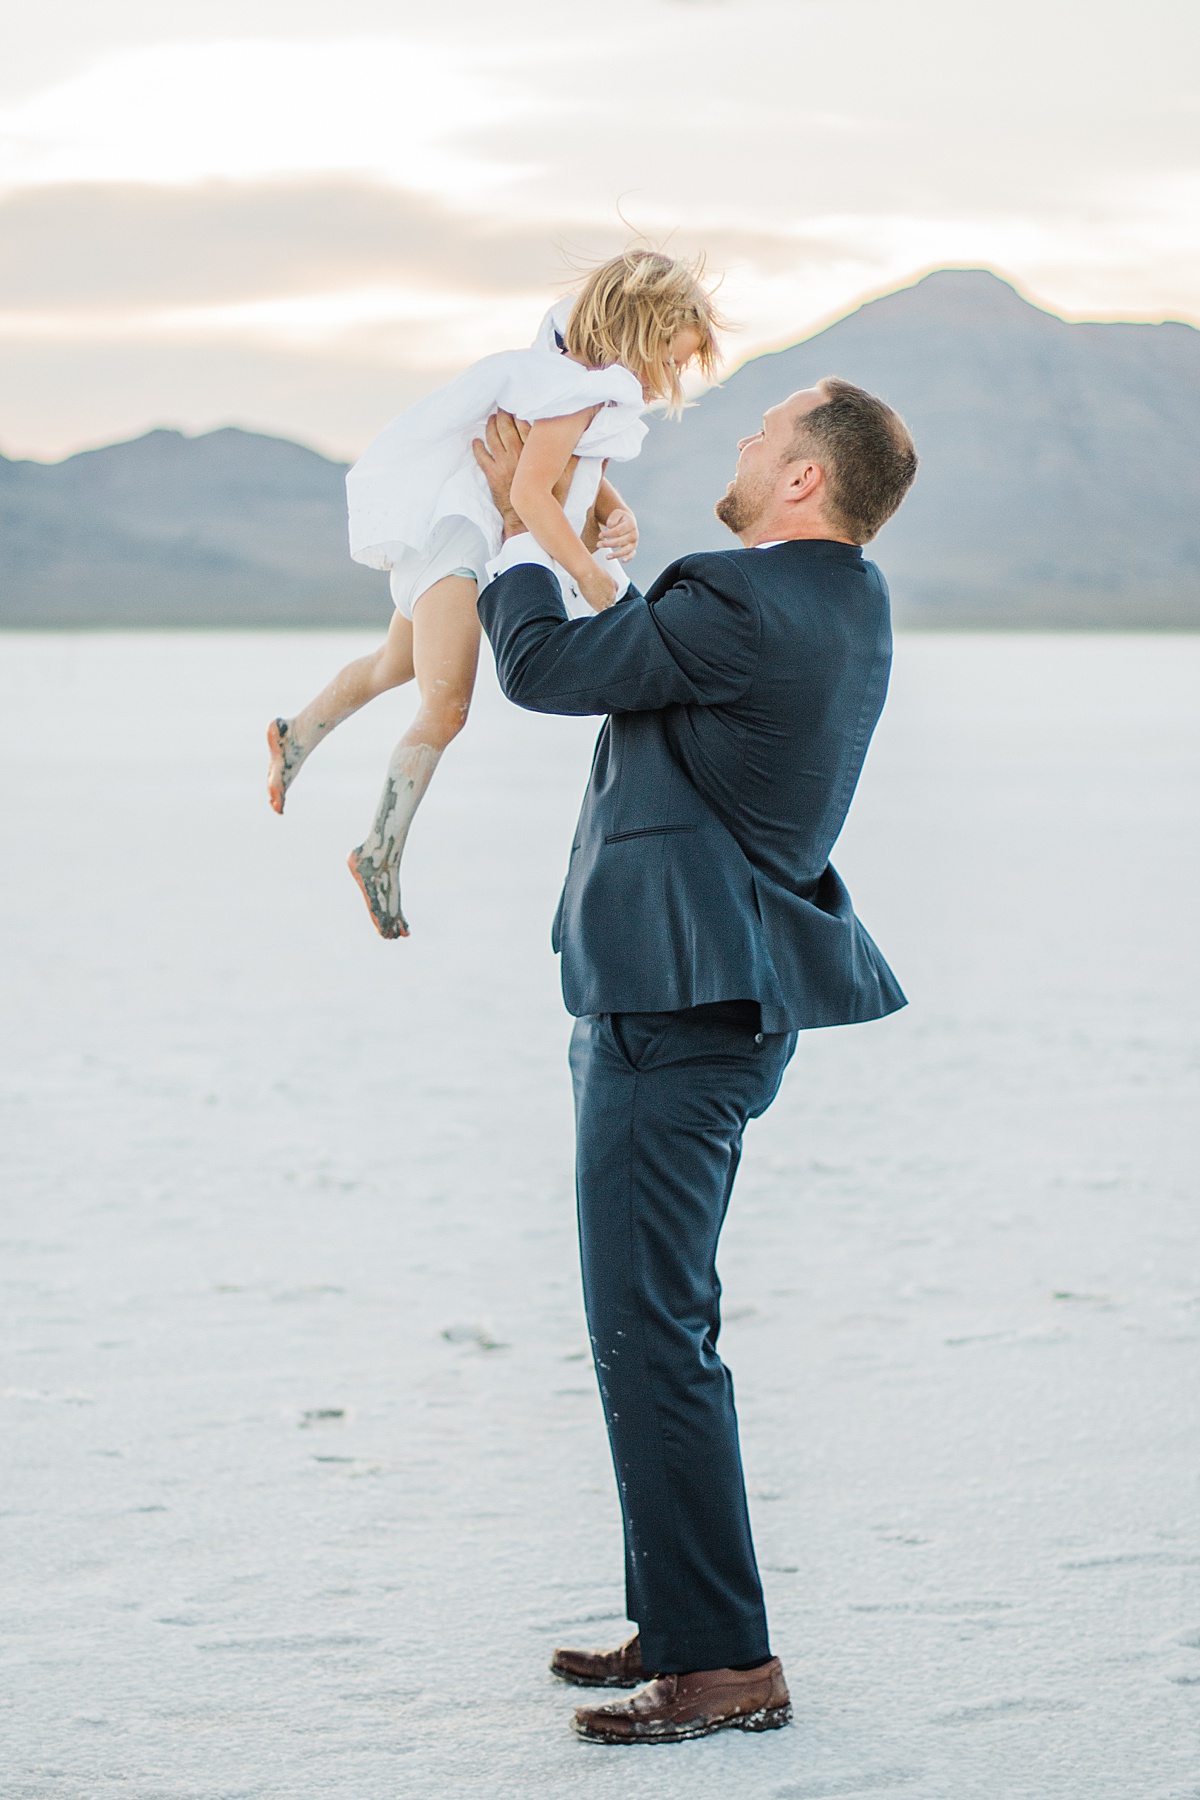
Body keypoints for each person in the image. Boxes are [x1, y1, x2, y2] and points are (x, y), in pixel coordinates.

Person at [471, 377, 918, 1745]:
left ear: (802, 481)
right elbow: (650, 658)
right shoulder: (837, 601)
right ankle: (680, 1617)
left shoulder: (738, 596)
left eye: (759, 435)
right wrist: (584, 554)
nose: (737, 444)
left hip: (676, 1011)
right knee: (660, 1322)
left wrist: (513, 532)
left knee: (651, 1328)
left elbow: (549, 671)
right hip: (712, 998)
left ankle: (724, 1663)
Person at [264, 249, 721, 940]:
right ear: (639, 335)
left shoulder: (569, 383)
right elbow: (532, 491)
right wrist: (591, 576)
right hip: (465, 547)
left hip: (452, 534)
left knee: (394, 665)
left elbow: (566, 466)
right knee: (444, 707)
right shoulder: (576, 391)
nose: (675, 378)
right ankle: (378, 850)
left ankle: (292, 737)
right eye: (674, 358)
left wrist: (611, 511)